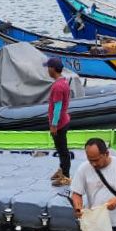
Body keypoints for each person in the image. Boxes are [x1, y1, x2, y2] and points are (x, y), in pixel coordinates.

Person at [45, 57, 72, 187]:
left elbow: (57, 107)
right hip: (64, 120)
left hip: (60, 123)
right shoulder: (64, 82)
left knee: (62, 150)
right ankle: (62, 170)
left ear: (52, 69)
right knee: (61, 149)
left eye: (48, 68)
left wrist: (54, 124)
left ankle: (66, 176)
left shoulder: (57, 86)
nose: (47, 70)